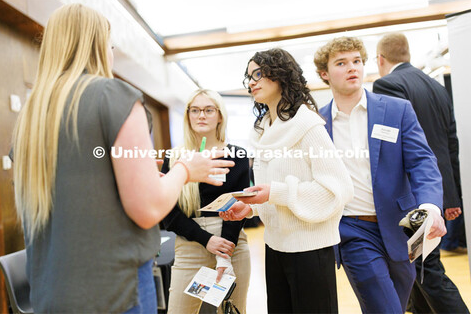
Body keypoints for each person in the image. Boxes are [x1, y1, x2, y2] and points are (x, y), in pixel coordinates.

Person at [11, 4, 234, 313]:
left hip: (51, 291)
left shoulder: (30, 117)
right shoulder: (113, 96)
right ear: (99, 46)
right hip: (113, 289)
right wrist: (184, 169)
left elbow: (77, 189)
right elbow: (148, 209)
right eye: (110, 45)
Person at [313, 36, 447, 314]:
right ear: (324, 74)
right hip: (352, 231)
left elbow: (422, 161)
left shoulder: (397, 110)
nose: (352, 68)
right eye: (341, 63)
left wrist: (431, 206)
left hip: (401, 228)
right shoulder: (317, 124)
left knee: (392, 304)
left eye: (357, 61)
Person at [221, 48, 354, 313]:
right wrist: (251, 207)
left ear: (280, 75)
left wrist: (273, 193)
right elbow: (268, 189)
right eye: (249, 77)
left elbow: (338, 189)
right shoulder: (262, 129)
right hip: (275, 245)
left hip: (310, 249)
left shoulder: (308, 125)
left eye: (258, 74)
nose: (252, 82)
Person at [373, 32, 469, 314]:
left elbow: (391, 147)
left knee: (427, 271)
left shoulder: (387, 84)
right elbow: (450, 144)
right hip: (434, 191)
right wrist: (451, 197)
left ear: (380, 59)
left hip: (412, 195)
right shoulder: (435, 85)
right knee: (416, 269)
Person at [161, 89, 251, 314]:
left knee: (232, 310)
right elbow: (168, 212)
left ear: (220, 116)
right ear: (188, 116)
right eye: (195, 110)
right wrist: (206, 240)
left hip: (232, 245)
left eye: (208, 110)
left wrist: (224, 250)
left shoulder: (237, 155)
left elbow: (237, 203)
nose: (201, 115)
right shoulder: (174, 158)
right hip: (190, 244)